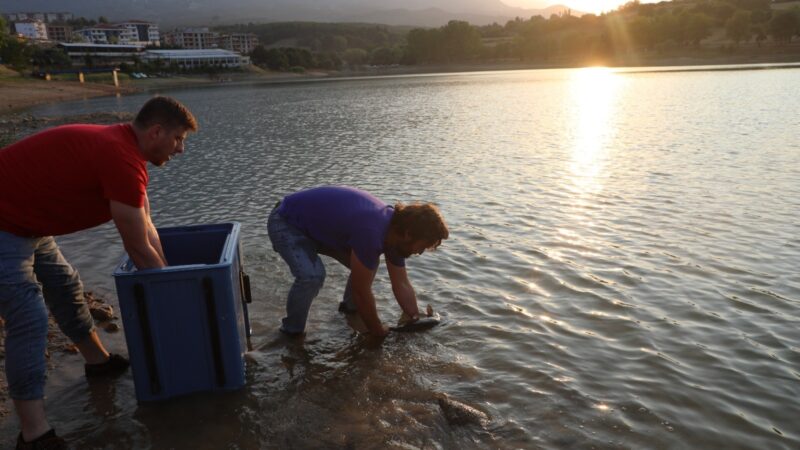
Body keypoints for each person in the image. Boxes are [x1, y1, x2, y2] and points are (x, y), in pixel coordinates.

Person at [0, 96, 198, 449]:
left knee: (64, 284)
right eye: (179, 139)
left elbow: (147, 229)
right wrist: (175, 301)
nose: (181, 149)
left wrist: (168, 276)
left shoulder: (127, 153)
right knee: (29, 318)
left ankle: (98, 362)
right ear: (156, 132)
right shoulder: (120, 157)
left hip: (26, 217)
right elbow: (137, 249)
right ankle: (32, 435)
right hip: (4, 221)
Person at [267, 186, 448, 338]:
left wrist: (414, 317)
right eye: (422, 246)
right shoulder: (372, 231)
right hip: (286, 221)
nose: (420, 252)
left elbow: (401, 283)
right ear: (409, 234)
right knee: (312, 276)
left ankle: (349, 309)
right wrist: (377, 331)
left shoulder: (395, 234)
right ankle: (291, 333)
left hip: (319, 229)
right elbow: (361, 291)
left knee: (367, 266)